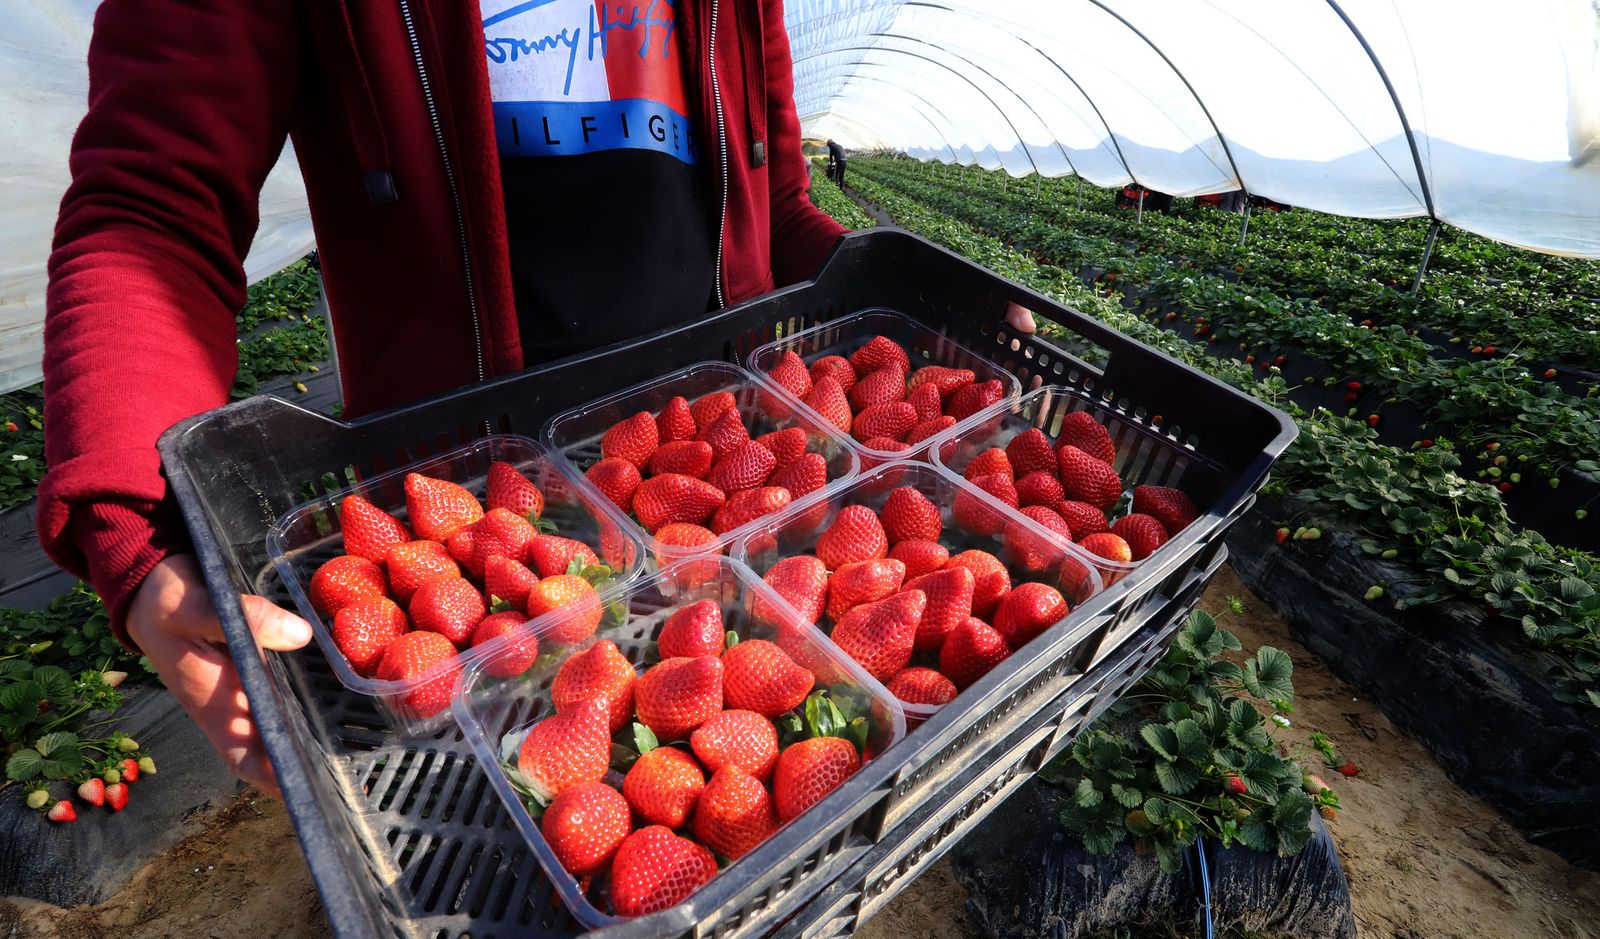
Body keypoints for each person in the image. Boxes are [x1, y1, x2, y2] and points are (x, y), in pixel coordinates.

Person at [40, 0, 1036, 797]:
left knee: (745, 807)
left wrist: (913, 295)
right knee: (515, 803)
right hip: (480, 503)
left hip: (731, 462)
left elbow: (770, 198)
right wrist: (127, 504)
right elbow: (155, 202)